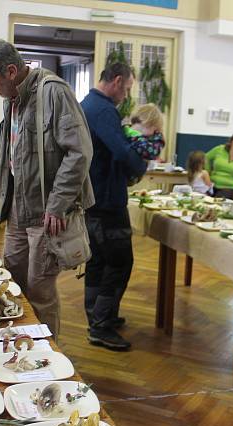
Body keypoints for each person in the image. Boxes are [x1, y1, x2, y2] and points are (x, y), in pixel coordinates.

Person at [0, 39, 94, 337]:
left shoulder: (54, 93)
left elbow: (79, 152)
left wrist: (58, 204)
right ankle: (17, 343)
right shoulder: (11, 98)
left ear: (11, 71)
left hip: (47, 212)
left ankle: (46, 357)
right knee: (12, 280)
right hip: (18, 208)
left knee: (40, 290)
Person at [81, 63, 147, 351]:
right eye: (128, 88)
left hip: (92, 198)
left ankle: (97, 313)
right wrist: (140, 165)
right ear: (117, 81)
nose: (126, 95)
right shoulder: (104, 109)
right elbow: (122, 151)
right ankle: (101, 325)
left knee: (98, 261)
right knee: (119, 263)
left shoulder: (87, 104)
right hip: (107, 202)